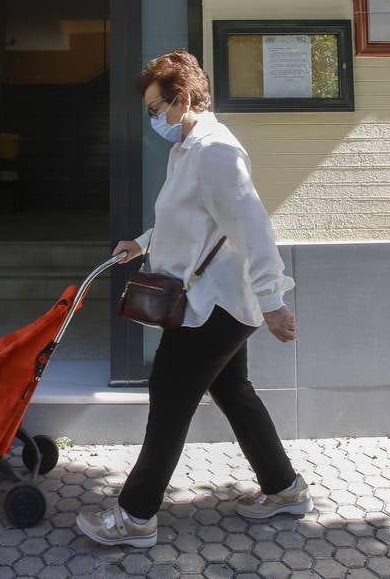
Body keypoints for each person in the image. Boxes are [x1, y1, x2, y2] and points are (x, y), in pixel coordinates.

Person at [75, 50, 311, 549]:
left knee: (169, 394)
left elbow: (253, 228)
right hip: (214, 300)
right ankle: (285, 489)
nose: (153, 119)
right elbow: (188, 220)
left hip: (216, 304)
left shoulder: (214, 151)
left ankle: (136, 516)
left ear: (182, 99)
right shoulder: (186, 149)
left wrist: (273, 300)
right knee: (234, 393)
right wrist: (142, 243)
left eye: (156, 108)